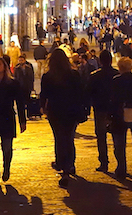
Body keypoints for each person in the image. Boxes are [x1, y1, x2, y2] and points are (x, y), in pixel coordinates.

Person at [41, 49, 86, 187]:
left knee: (59, 138)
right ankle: (69, 164)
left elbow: (44, 95)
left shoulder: (48, 76)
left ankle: (62, 164)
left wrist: (43, 107)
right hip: (71, 110)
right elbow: (80, 93)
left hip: (55, 111)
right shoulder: (74, 75)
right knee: (69, 137)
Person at [0, 57, 27, 185]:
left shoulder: (12, 83)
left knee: (7, 148)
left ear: (4, 67)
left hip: (7, 117)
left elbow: (19, 103)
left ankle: (6, 169)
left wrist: (22, 120)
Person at [110, 57, 132, 183]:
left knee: (120, 145)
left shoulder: (116, 81)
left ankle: (121, 170)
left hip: (121, 114)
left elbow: (113, 100)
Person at [87, 49, 118, 172]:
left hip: (100, 109)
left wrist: (88, 107)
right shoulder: (116, 74)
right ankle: (120, 163)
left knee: (101, 136)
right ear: (111, 60)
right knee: (116, 136)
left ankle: (104, 162)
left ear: (100, 61)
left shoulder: (94, 76)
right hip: (115, 109)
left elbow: (89, 93)